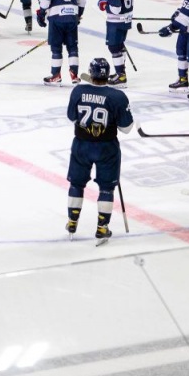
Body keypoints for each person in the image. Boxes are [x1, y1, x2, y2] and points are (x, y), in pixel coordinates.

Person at [65, 57, 134, 244]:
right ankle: (102, 227)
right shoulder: (117, 96)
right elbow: (126, 128)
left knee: (76, 184)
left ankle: (72, 221)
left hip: (81, 145)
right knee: (106, 187)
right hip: (107, 147)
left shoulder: (78, 90)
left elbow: (72, 117)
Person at [37, 0, 86, 85]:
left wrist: (41, 14)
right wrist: (78, 15)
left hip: (56, 18)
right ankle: (74, 75)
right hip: (71, 17)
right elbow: (82, 0)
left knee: (56, 48)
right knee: (73, 47)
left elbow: (45, 1)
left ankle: (56, 75)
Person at [99, 0, 133, 87]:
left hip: (116, 21)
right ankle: (121, 72)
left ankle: (121, 75)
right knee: (119, 45)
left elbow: (116, 9)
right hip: (126, 19)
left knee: (113, 47)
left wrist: (104, 4)